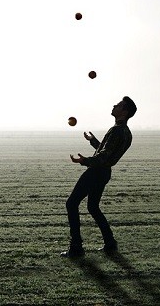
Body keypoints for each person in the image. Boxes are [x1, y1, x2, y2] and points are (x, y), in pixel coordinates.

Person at [61, 96, 137, 258]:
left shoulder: (117, 130)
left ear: (124, 111)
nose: (114, 105)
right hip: (105, 172)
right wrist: (93, 141)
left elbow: (103, 157)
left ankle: (76, 247)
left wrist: (84, 161)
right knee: (93, 207)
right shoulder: (126, 132)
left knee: (71, 203)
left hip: (96, 171)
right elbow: (107, 153)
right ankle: (110, 243)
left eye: (119, 105)